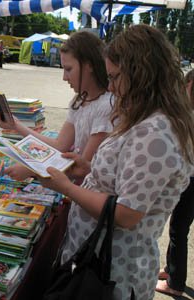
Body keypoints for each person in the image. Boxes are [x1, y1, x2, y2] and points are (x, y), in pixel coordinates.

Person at [38, 25, 194, 300]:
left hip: (113, 274)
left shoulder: (156, 132)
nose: (110, 86)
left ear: (141, 73)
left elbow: (126, 213)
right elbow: (128, 179)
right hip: (101, 262)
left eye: (115, 77)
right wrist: (87, 169)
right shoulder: (147, 119)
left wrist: (66, 187)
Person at [0, 31, 113, 181]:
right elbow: (59, 145)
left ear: (89, 66)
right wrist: (14, 124)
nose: (64, 77)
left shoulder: (106, 106)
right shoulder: (80, 101)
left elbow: (81, 169)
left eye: (68, 69)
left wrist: (32, 170)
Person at [155, 69, 194, 297]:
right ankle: (171, 269)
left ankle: (176, 283)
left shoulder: (187, 115)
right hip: (189, 177)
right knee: (178, 228)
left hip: (190, 178)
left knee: (179, 230)